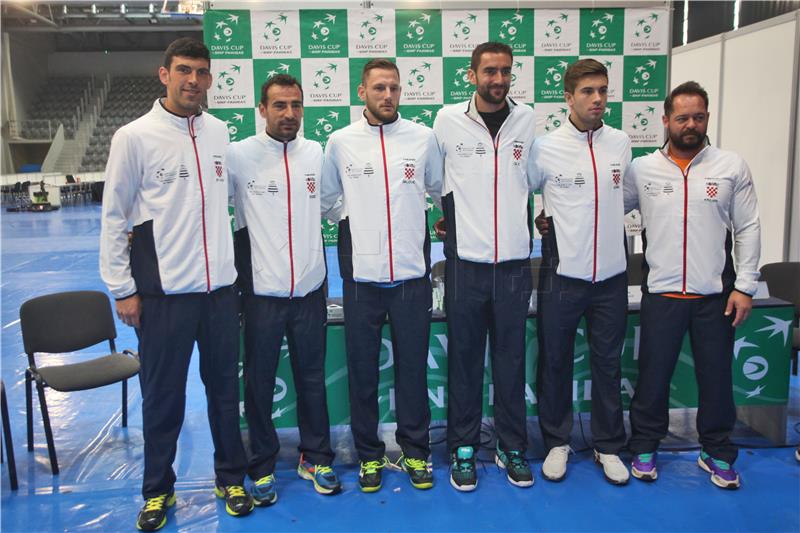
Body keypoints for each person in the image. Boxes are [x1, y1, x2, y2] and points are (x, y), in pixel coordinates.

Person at [99, 37, 253, 531]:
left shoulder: (221, 133)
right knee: (163, 399)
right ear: (163, 74)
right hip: (164, 298)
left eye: (201, 72)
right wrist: (122, 288)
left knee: (226, 394)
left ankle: (231, 478)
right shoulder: (134, 136)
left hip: (219, 295)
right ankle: (157, 491)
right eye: (183, 70)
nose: (193, 80)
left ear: (210, 80)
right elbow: (113, 217)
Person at [625, 81, 760, 489]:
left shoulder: (731, 166)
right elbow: (607, 207)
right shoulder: (641, 168)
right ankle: (645, 446)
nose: (690, 125)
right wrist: (554, 221)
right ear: (665, 120)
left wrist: (746, 286)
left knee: (717, 377)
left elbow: (748, 227)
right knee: (652, 377)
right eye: (682, 117)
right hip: (662, 293)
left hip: (715, 296)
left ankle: (716, 452)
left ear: (707, 118)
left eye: (698, 117)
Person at [320, 58, 442, 493]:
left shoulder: (424, 138)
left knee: (412, 371)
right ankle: (369, 456)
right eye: (378, 88)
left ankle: (415, 452)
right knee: (363, 372)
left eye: (393, 88)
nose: (387, 96)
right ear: (362, 92)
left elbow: (435, 188)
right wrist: (358, 225)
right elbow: (329, 198)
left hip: (411, 278)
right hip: (362, 280)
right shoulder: (340, 141)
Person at [228, 74, 340, 505]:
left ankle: (316, 456)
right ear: (262, 109)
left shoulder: (316, 152)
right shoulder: (238, 156)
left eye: (296, 105)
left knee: (312, 378)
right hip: (261, 292)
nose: (289, 113)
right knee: (258, 381)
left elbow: (332, 204)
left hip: (311, 287)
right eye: (279, 105)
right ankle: (261, 463)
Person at [432, 42, 536, 491]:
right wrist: (452, 219)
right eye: (489, 71)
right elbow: (437, 180)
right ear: (471, 75)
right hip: (466, 265)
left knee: (512, 362)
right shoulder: (446, 120)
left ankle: (512, 446)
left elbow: (536, 178)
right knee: (466, 361)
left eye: (505, 72)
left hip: (514, 264)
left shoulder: (528, 119)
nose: (498, 79)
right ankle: (463, 447)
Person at [529, 59, 631, 485]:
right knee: (555, 361)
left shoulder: (622, 143)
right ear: (568, 97)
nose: (597, 99)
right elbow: (526, 193)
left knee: (608, 364)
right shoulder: (544, 147)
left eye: (603, 90)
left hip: (611, 276)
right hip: (562, 273)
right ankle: (557, 441)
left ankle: (608, 446)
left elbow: (622, 200)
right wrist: (540, 217)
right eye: (588, 92)